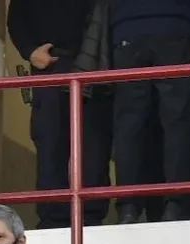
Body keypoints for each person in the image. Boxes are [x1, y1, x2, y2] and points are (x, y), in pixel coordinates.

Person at [7, 0, 113, 228]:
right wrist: (29, 51)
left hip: (93, 65)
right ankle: (52, 219)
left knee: (93, 143)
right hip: (51, 68)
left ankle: (91, 216)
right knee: (50, 142)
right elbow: (16, 18)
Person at [110, 0, 190, 223]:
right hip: (177, 24)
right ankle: (175, 205)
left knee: (129, 124)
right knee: (177, 121)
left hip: (128, 27)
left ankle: (128, 208)